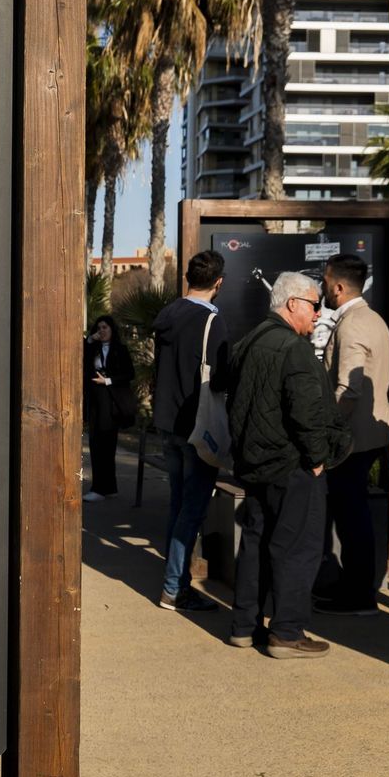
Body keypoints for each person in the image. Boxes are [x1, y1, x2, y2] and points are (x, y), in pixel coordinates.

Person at [226, 272, 352, 658]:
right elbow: (307, 412)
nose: (320, 312)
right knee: (298, 547)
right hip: (290, 464)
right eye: (316, 304)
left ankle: (244, 626)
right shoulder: (293, 348)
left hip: (255, 461)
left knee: (255, 541)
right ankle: (286, 632)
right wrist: (316, 458)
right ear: (293, 303)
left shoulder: (249, 341)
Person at [150, 250, 229, 613]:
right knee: (192, 510)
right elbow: (221, 376)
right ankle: (173, 588)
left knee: (178, 505)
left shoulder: (167, 316)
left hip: (167, 423)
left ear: (187, 278)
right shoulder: (212, 322)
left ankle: (176, 582)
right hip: (197, 424)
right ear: (218, 283)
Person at [315, 253, 389, 616]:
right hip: (367, 435)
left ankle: (359, 593)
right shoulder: (372, 318)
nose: (323, 289)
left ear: (340, 287)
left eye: (326, 282)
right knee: (353, 513)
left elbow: (349, 388)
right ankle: (356, 587)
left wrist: (325, 431)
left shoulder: (353, 324)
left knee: (351, 516)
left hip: (351, 439)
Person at [83, 315, 136, 502]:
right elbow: (81, 360)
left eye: (105, 327)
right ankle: (102, 487)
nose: (102, 331)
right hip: (96, 401)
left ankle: (104, 487)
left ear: (112, 329)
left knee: (107, 445)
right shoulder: (93, 348)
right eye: (99, 328)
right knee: (96, 443)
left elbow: (129, 373)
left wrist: (108, 380)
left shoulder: (120, 350)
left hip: (112, 402)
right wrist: (90, 340)